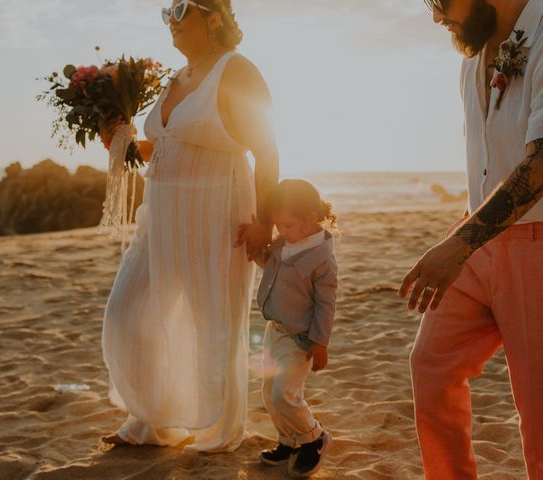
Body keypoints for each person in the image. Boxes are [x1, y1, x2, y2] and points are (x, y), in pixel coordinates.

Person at [400, 0, 543, 478]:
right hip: (479, 242)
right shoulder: (473, 59)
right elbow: (490, 164)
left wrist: (457, 245)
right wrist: (463, 236)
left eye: (439, 1)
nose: (436, 16)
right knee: (431, 368)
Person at [100, 0, 279, 452]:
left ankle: (215, 430)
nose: (172, 21)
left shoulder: (236, 70)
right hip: (161, 215)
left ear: (214, 16)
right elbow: (161, 148)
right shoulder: (175, 79)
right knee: (129, 310)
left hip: (217, 208)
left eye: (182, 10)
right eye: (168, 13)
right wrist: (119, 141)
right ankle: (153, 421)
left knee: (212, 319)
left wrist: (265, 221)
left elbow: (267, 148)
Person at [241, 180, 338, 478]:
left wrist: (319, 343)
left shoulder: (322, 260)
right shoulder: (284, 243)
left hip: (300, 339)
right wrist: (255, 249)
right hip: (275, 330)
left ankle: (312, 438)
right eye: (278, 225)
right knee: (269, 392)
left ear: (310, 218)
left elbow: (325, 305)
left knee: (286, 393)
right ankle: (289, 440)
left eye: (286, 225)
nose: (280, 231)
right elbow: (272, 270)